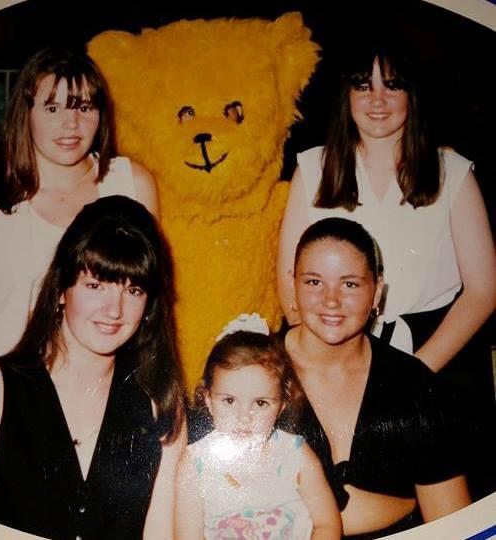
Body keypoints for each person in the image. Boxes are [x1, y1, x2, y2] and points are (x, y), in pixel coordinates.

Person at [0, 195, 185, 540]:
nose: (114, 310)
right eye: (95, 285)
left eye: (134, 290)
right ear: (62, 288)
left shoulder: (160, 406)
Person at [277, 38, 495, 372]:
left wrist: (416, 373)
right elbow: (290, 280)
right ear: (346, 95)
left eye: (392, 85)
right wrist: (324, 364)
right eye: (363, 86)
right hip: (336, 357)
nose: (377, 100)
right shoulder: (311, 169)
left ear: (412, 94)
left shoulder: (453, 173)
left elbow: (484, 290)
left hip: (435, 356)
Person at [0, 46, 159, 383]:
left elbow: (150, 298)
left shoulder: (131, 183)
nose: (71, 124)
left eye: (84, 107)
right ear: (26, 111)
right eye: (53, 108)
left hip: (88, 391)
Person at [284, 217, 470, 539]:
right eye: (314, 282)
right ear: (293, 285)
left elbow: (452, 528)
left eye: (350, 284)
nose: (331, 300)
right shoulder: (250, 375)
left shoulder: (415, 386)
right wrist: (400, 506)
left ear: (377, 293)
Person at [176, 318, 342, 540]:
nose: (244, 417)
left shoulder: (296, 454)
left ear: (282, 405)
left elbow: (327, 525)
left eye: (261, 403)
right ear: (208, 399)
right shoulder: (195, 464)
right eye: (229, 401)